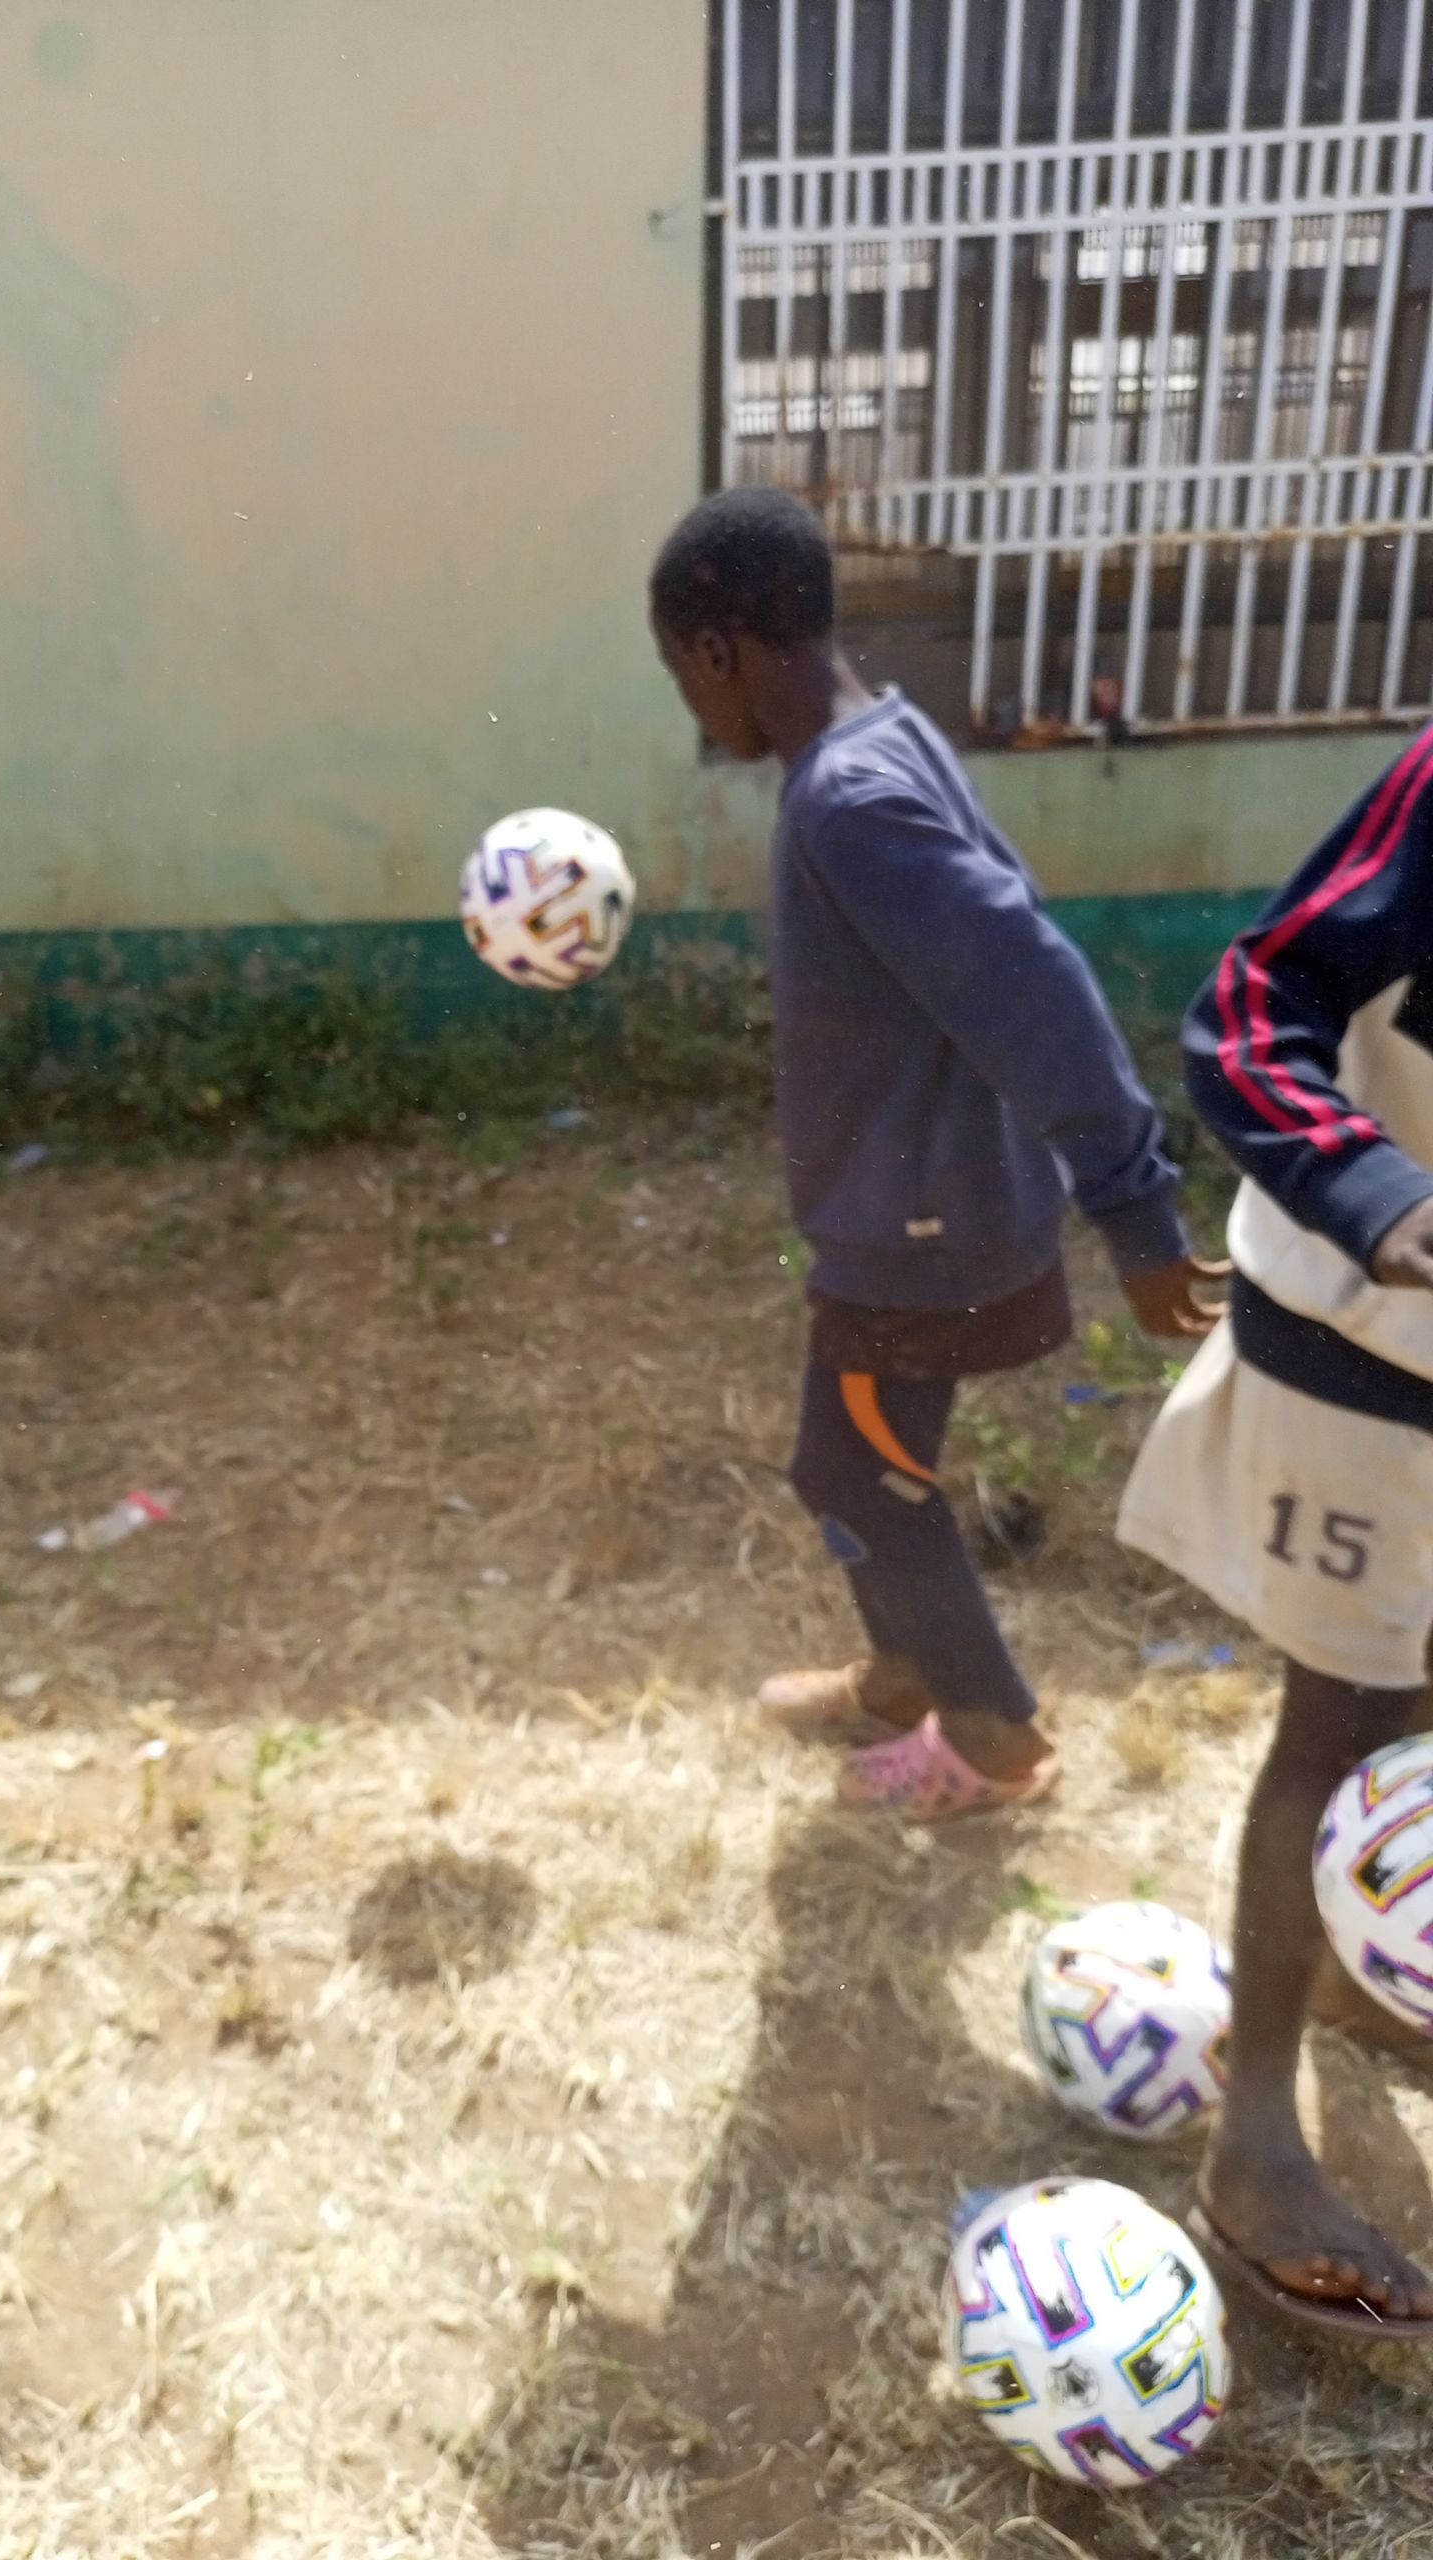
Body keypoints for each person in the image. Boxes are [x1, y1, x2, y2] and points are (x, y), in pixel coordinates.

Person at [648, 485, 1220, 1820]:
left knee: (849, 1470)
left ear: (720, 649)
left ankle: (991, 1733)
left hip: (919, 1228)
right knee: (875, 1456)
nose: (692, 703)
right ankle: (906, 1675)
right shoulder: (883, 738)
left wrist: (1135, 1207)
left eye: (682, 672)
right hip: (929, 1200)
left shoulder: (849, 801)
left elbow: (1034, 985)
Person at [1119, 728, 1433, 2326]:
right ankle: (1252, 2143)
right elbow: (1249, 1011)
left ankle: (1370, 1977)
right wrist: (1379, 1199)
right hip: (1362, 1344)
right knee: (1349, 1718)